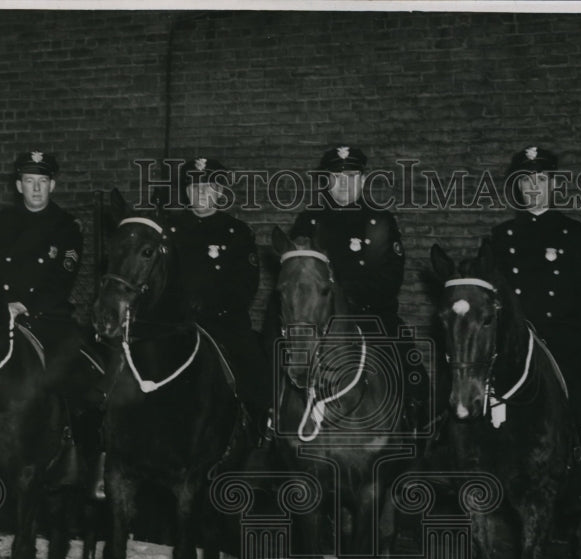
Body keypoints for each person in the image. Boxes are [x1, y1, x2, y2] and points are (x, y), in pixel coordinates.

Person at [489, 145, 581, 510]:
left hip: (561, 342)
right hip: (516, 345)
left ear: (553, 185)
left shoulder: (572, 237)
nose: (534, 186)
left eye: (541, 179)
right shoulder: (501, 239)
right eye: (526, 180)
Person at [283, 144, 430, 432]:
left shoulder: (381, 221)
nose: (343, 185)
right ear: (326, 181)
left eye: (351, 178)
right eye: (336, 178)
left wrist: (345, 296)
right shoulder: (309, 221)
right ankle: (268, 425)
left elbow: (390, 279)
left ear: (362, 181)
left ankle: (417, 433)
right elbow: (294, 275)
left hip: (372, 316)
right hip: (317, 319)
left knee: (413, 374)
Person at [0, 150, 104, 491]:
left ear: (53, 185)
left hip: (48, 319)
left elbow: (62, 277)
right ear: (19, 185)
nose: (36, 189)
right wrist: (0, 303)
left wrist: (25, 305)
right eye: (30, 182)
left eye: (43, 183)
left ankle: (84, 460)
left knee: (88, 377)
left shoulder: (67, 226)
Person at [169, 156, 267, 442]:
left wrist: (210, 307)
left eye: (209, 186)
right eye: (195, 186)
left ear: (220, 192)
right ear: (187, 192)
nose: (201, 193)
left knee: (254, 366)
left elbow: (246, 285)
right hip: (176, 323)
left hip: (222, 323)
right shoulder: (169, 230)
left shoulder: (236, 232)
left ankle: (262, 431)